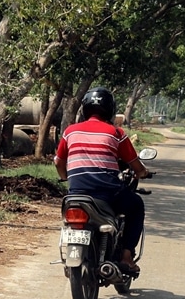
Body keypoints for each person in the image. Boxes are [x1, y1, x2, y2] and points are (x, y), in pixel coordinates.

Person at [54, 87, 150, 275]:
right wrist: (143, 172)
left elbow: (58, 162)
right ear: (110, 110)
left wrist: (66, 177)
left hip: (76, 195)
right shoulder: (115, 133)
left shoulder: (69, 132)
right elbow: (136, 167)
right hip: (107, 194)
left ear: (84, 109)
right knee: (136, 206)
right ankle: (126, 257)